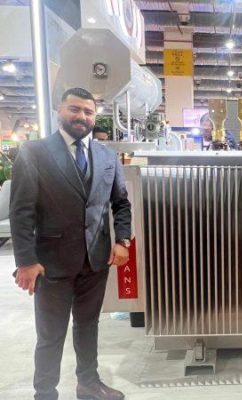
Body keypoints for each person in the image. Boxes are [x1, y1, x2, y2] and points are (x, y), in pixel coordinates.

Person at [10, 87, 131, 400]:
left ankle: (88, 384)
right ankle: (45, 393)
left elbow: (121, 203)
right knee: (50, 334)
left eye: (88, 112)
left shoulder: (107, 156)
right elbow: (21, 211)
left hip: (96, 260)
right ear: (60, 111)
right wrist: (26, 261)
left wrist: (123, 241)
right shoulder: (35, 152)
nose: (82, 116)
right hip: (51, 262)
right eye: (74, 109)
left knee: (88, 326)